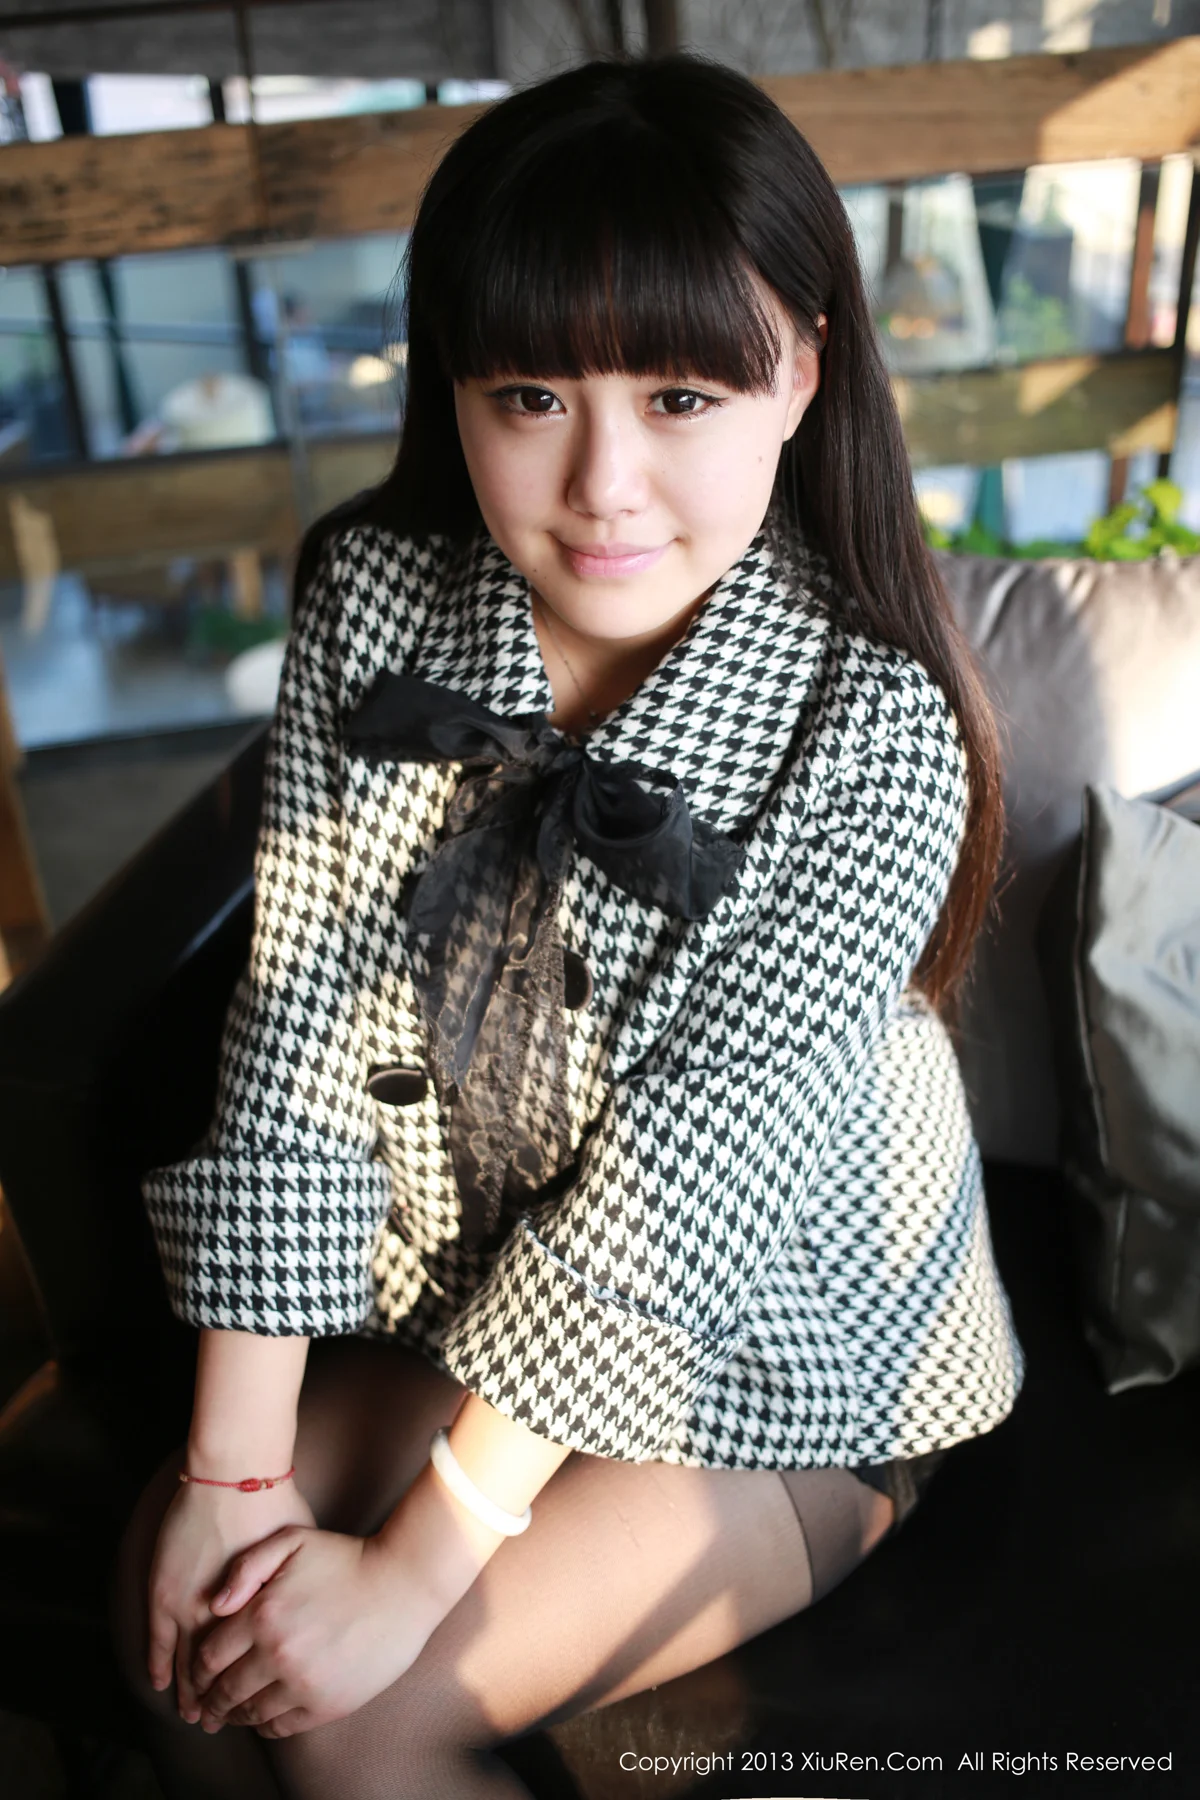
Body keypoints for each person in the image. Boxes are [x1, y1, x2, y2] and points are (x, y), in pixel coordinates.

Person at [112, 51, 1026, 1800]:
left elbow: (680, 1206)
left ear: (801, 368)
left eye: (681, 395)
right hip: (464, 1304)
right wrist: (234, 1472)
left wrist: (412, 1573)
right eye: (529, 394)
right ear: (452, 383)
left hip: (791, 1360)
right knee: (193, 1635)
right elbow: (296, 1027)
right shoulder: (377, 600)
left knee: (364, 1720)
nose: (604, 482)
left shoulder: (874, 733)